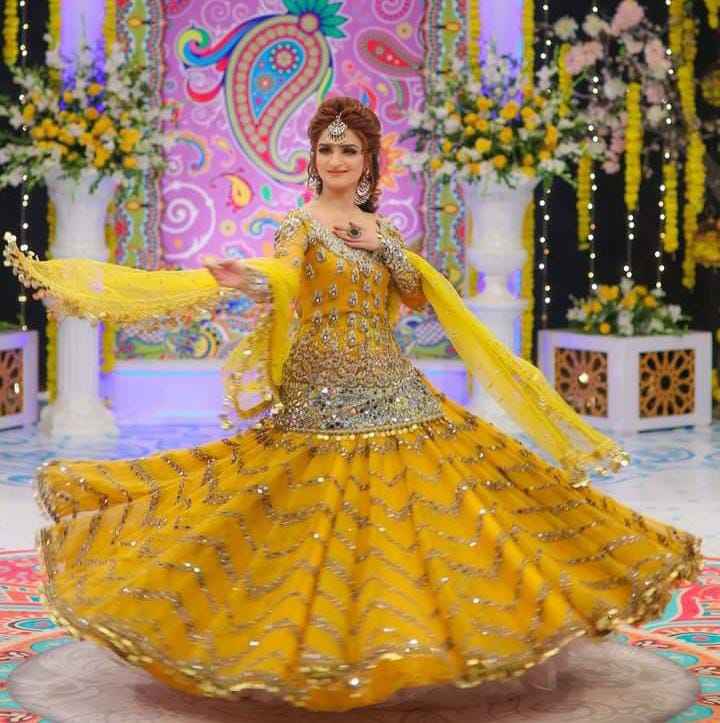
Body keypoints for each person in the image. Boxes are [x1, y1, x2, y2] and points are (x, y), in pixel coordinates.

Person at [4, 96, 701, 712]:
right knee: (297, 512)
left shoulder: (379, 227)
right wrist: (247, 277)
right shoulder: (299, 224)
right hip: (321, 388)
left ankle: (410, 641)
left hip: (390, 382)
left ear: (368, 162)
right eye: (326, 149)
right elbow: (282, 276)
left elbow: (416, 297)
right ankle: (305, 645)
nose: (336, 160)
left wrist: (385, 247)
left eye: (349, 150)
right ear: (313, 159)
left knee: (433, 508)